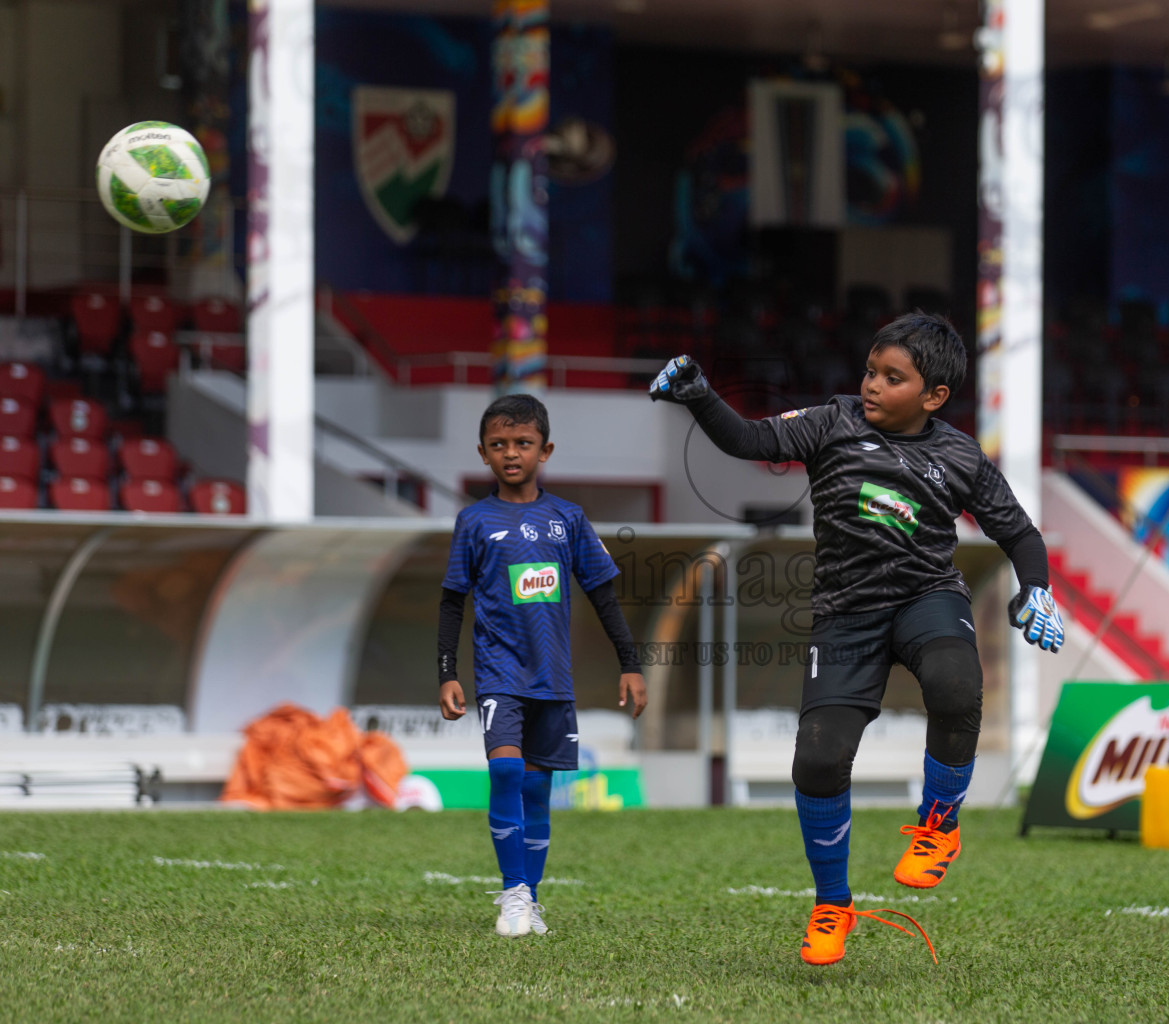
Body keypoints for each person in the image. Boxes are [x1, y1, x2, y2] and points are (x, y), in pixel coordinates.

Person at [650, 311, 1064, 966]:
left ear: (934, 397)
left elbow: (1020, 534)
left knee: (956, 685)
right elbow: (749, 441)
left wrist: (1036, 587)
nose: (871, 385)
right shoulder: (832, 422)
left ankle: (938, 826)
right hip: (846, 615)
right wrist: (698, 392)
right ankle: (832, 905)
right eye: (871, 370)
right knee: (817, 759)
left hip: (927, 598)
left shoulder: (958, 456)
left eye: (892, 378)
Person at [438, 394, 648, 938]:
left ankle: (530, 899)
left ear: (545, 450)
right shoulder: (474, 521)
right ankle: (513, 895)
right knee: (505, 772)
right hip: (498, 675)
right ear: (482, 454)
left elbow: (602, 595)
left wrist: (631, 664)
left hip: (552, 678)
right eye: (499, 445)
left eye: (523, 443)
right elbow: (452, 601)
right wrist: (447, 672)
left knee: (536, 791)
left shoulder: (567, 520)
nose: (512, 453)